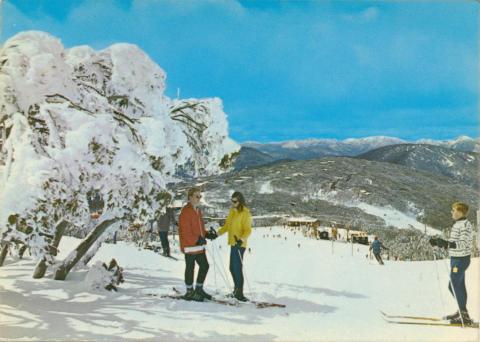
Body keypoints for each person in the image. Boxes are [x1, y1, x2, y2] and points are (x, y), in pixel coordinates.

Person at [429, 202, 474, 325]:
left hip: (460, 260)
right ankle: (462, 311)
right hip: (456, 258)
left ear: (460, 212)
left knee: (453, 285)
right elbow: (455, 242)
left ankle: (464, 315)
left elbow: (463, 243)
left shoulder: (464, 225)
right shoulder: (458, 224)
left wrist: (446, 244)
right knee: (459, 285)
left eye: (453, 210)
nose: (451, 212)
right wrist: (440, 242)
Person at [178, 187, 217, 302]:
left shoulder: (198, 210)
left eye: (200, 196)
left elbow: (200, 229)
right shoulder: (185, 212)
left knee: (205, 266)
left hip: (199, 246)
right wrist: (197, 240)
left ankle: (199, 289)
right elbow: (185, 232)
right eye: (196, 196)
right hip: (190, 246)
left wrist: (207, 234)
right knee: (190, 268)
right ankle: (190, 292)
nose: (199, 198)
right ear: (190, 197)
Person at [217, 191, 252, 302]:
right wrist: (216, 234)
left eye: (235, 201)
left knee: (236, 268)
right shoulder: (232, 211)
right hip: (233, 243)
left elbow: (248, 230)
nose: (233, 203)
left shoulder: (245, 213)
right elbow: (227, 226)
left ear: (240, 201)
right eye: (231, 201)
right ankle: (236, 290)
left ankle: (239, 293)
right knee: (232, 268)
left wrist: (241, 240)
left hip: (240, 245)